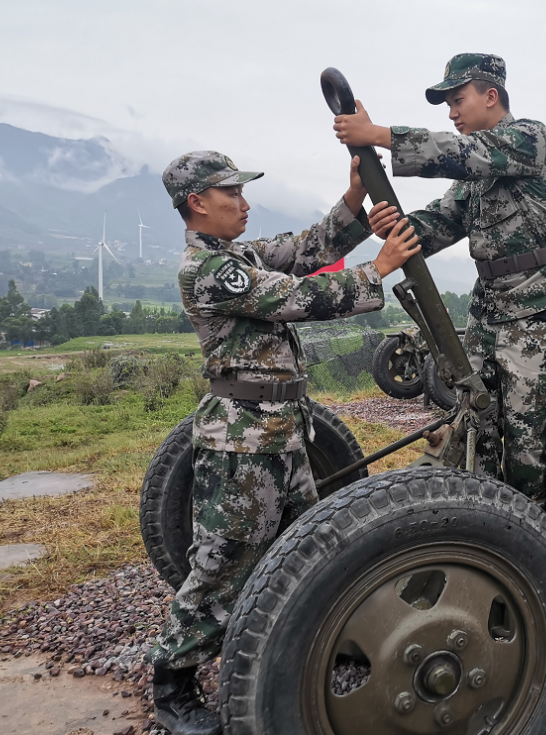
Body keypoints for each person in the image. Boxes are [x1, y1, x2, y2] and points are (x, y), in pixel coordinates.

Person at [146, 150, 419, 735]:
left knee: (308, 541)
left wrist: (352, 200)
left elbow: (307, 251)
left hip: (282, 428)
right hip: (243, 439)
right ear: (197, 204)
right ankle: (173, 683)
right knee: (225, 560)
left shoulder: (238, 253)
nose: (244, 205)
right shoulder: (211, 271)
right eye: (231, 196)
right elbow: (300, 297)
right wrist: (380, 268)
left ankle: (327, 636)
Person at [333, 53, 546, 502]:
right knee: (475, 429)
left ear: (491, 96)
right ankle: (481, 526)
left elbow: (459, 153)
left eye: (458, 100)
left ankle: (533, 540)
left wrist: (378, 135)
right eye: (447, 104)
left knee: (526, 449)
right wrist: (395, 229)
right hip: (489, 311)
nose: (451, 113)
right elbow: (442, 222)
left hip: (537, 314)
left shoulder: (528, 139)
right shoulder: (474, 181)